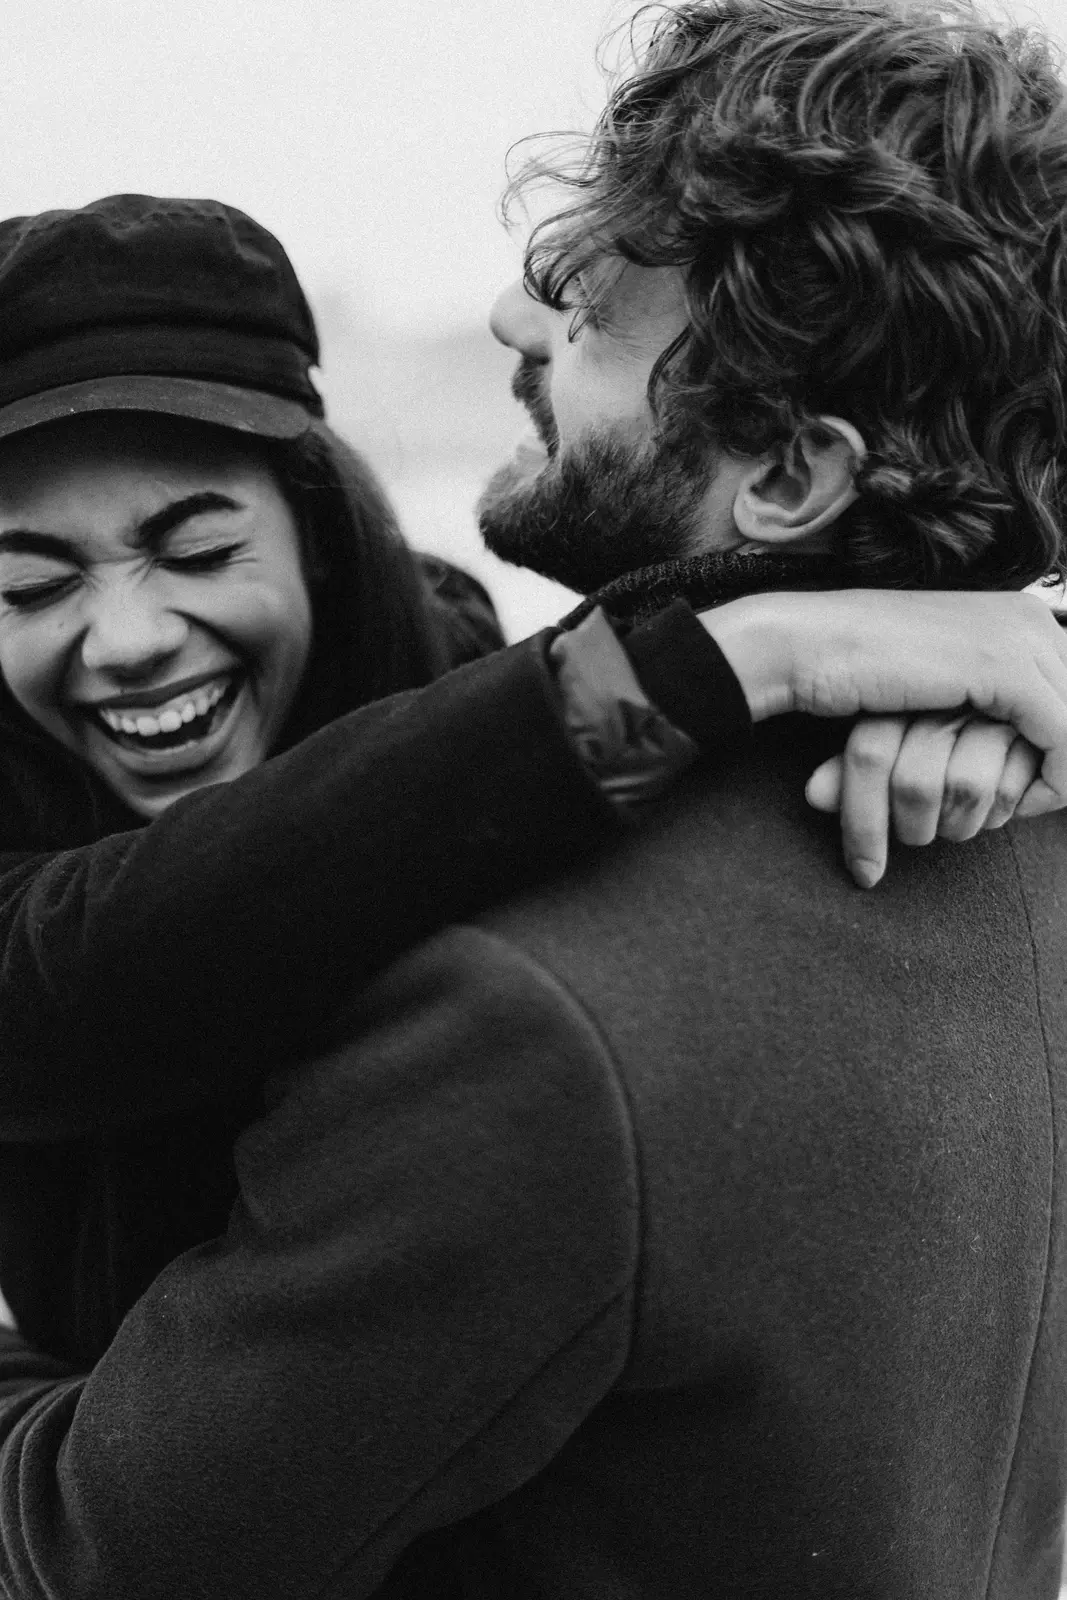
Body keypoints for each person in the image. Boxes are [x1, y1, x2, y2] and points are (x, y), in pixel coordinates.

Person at [0, 21, 1065, 1588]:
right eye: (27, 580)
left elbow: (105, 1550)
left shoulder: (520, 1014)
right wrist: (785, 639)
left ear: (783, 479)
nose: (508, 313)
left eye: (581, 308)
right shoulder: (1020, 814)